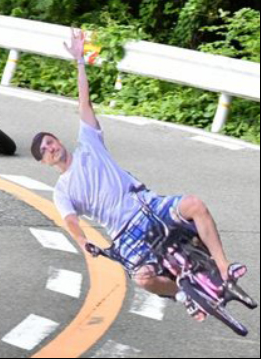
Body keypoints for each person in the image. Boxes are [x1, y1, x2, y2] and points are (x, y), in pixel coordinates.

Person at [31, 28, 247, 321]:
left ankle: (224, 267)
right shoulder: (61, 190)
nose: (51, 148)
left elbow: (84, 103)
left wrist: (80, 61)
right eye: (45, 150)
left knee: (194, 204)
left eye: (50, 141)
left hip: (146, 205)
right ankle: (183, 295)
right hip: (123, 233)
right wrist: (83, 241)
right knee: (142, 278)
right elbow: (70, 220)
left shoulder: (88, 144)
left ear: (58, 139)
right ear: (44, 161)